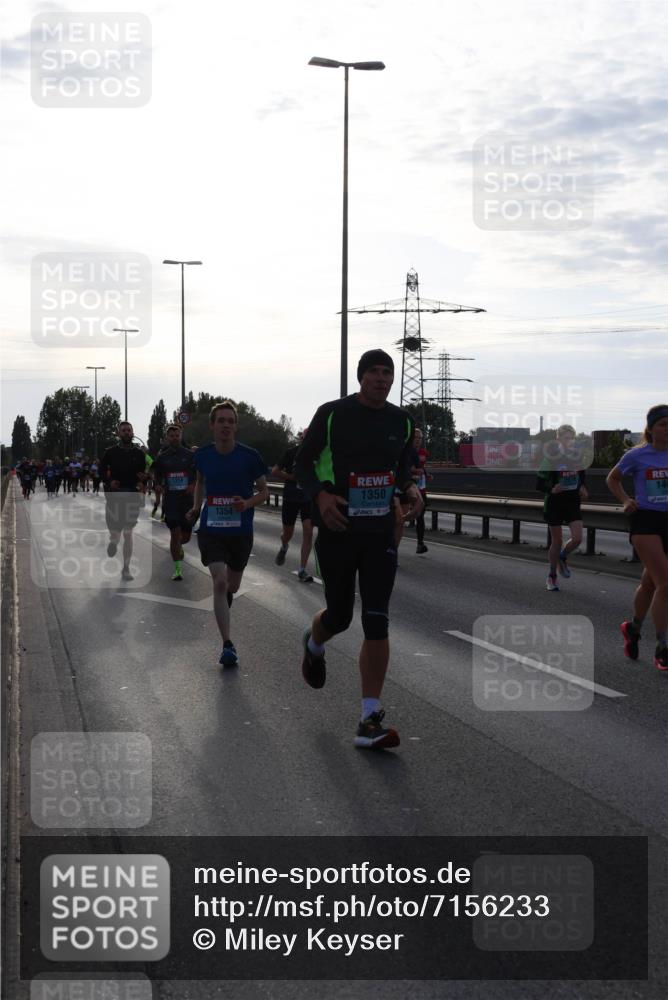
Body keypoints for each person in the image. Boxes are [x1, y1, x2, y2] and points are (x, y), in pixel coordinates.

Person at [295, 349, 423, 750]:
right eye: (374, 372)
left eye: (387, 373)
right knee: (339, 616)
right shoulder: (333, 414)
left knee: (376, 619)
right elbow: (302, 464)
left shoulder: (402, 421)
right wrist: (321, 497)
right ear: (360, 377)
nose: (381, 379)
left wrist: (409, 487)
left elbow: (402, 467)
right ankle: (313, 644)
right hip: (339, 529)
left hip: (380, 533)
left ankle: (369, 718)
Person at [187, 401, 268, 667]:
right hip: (211, 529)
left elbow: (264, 491)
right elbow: (200, 482)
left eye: (230, 421)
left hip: (240, 532)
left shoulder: (250, 456)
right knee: (219, 582)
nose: (226, 425)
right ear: (212, 425)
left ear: (235, 426)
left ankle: (225, 601)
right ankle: (227, 645)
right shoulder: (203, 455)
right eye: (221, 421)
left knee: (232, 586)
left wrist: (246, 503)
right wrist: (196, 508)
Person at [607, 404, 668, 672]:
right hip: (646, 521)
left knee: (650, 582)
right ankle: (663, 647)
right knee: (666, 583)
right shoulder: (637, 455)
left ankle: (633, 628)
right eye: (663, 424)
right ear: (651, 428)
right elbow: (612, 479)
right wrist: (625, 500)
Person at [536, 424, 588, 591]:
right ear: (558, 439)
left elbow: (581, 476)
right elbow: (539, 484)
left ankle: (562, 557)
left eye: (572, 438)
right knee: (557, 541)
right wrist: (552, 489)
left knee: (578, 538)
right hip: (555, 503)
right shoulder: (550, 458)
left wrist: (582, 487)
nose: (569, 441)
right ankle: (552, 576)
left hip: (572, 502)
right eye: (566, 438)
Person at [99, 422, 147, 581]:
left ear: (132, 432)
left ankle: (126, 568)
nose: (127, 432)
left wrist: (142, 481)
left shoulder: (139, 454)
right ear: (118, 434)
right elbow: (101, 471)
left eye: (129, 430)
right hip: (114, 497)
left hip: (132, 497)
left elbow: (142, 474)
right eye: (124, 430)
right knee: (115, 533)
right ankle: (113, 542)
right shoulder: (110, 452)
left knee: (128, 533)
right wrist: (109, 481)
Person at [152, 424, 197, 581]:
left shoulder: (190, 455)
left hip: (187, 500)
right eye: (171, 436)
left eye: (177, 435)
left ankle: (179, 546)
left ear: (181, 436)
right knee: (175, 533)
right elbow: (156, 473)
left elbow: (198, 473)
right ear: (167, 438)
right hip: (171, 500)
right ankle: (177, 569)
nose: (174, 438)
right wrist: (158, 484)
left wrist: (193, 484)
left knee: (185, 537)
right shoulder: (162, 456)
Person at [272, 429, 314, 582]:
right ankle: (284, 546)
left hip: (308, 498)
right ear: (300, 438)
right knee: (287, 534)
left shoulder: (317, 455)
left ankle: (302, 570)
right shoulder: (291, 453)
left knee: (308, 531)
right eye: (304, 438)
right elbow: (275, 471)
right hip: (291, 497)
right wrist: (291, 477)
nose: (307, 441)